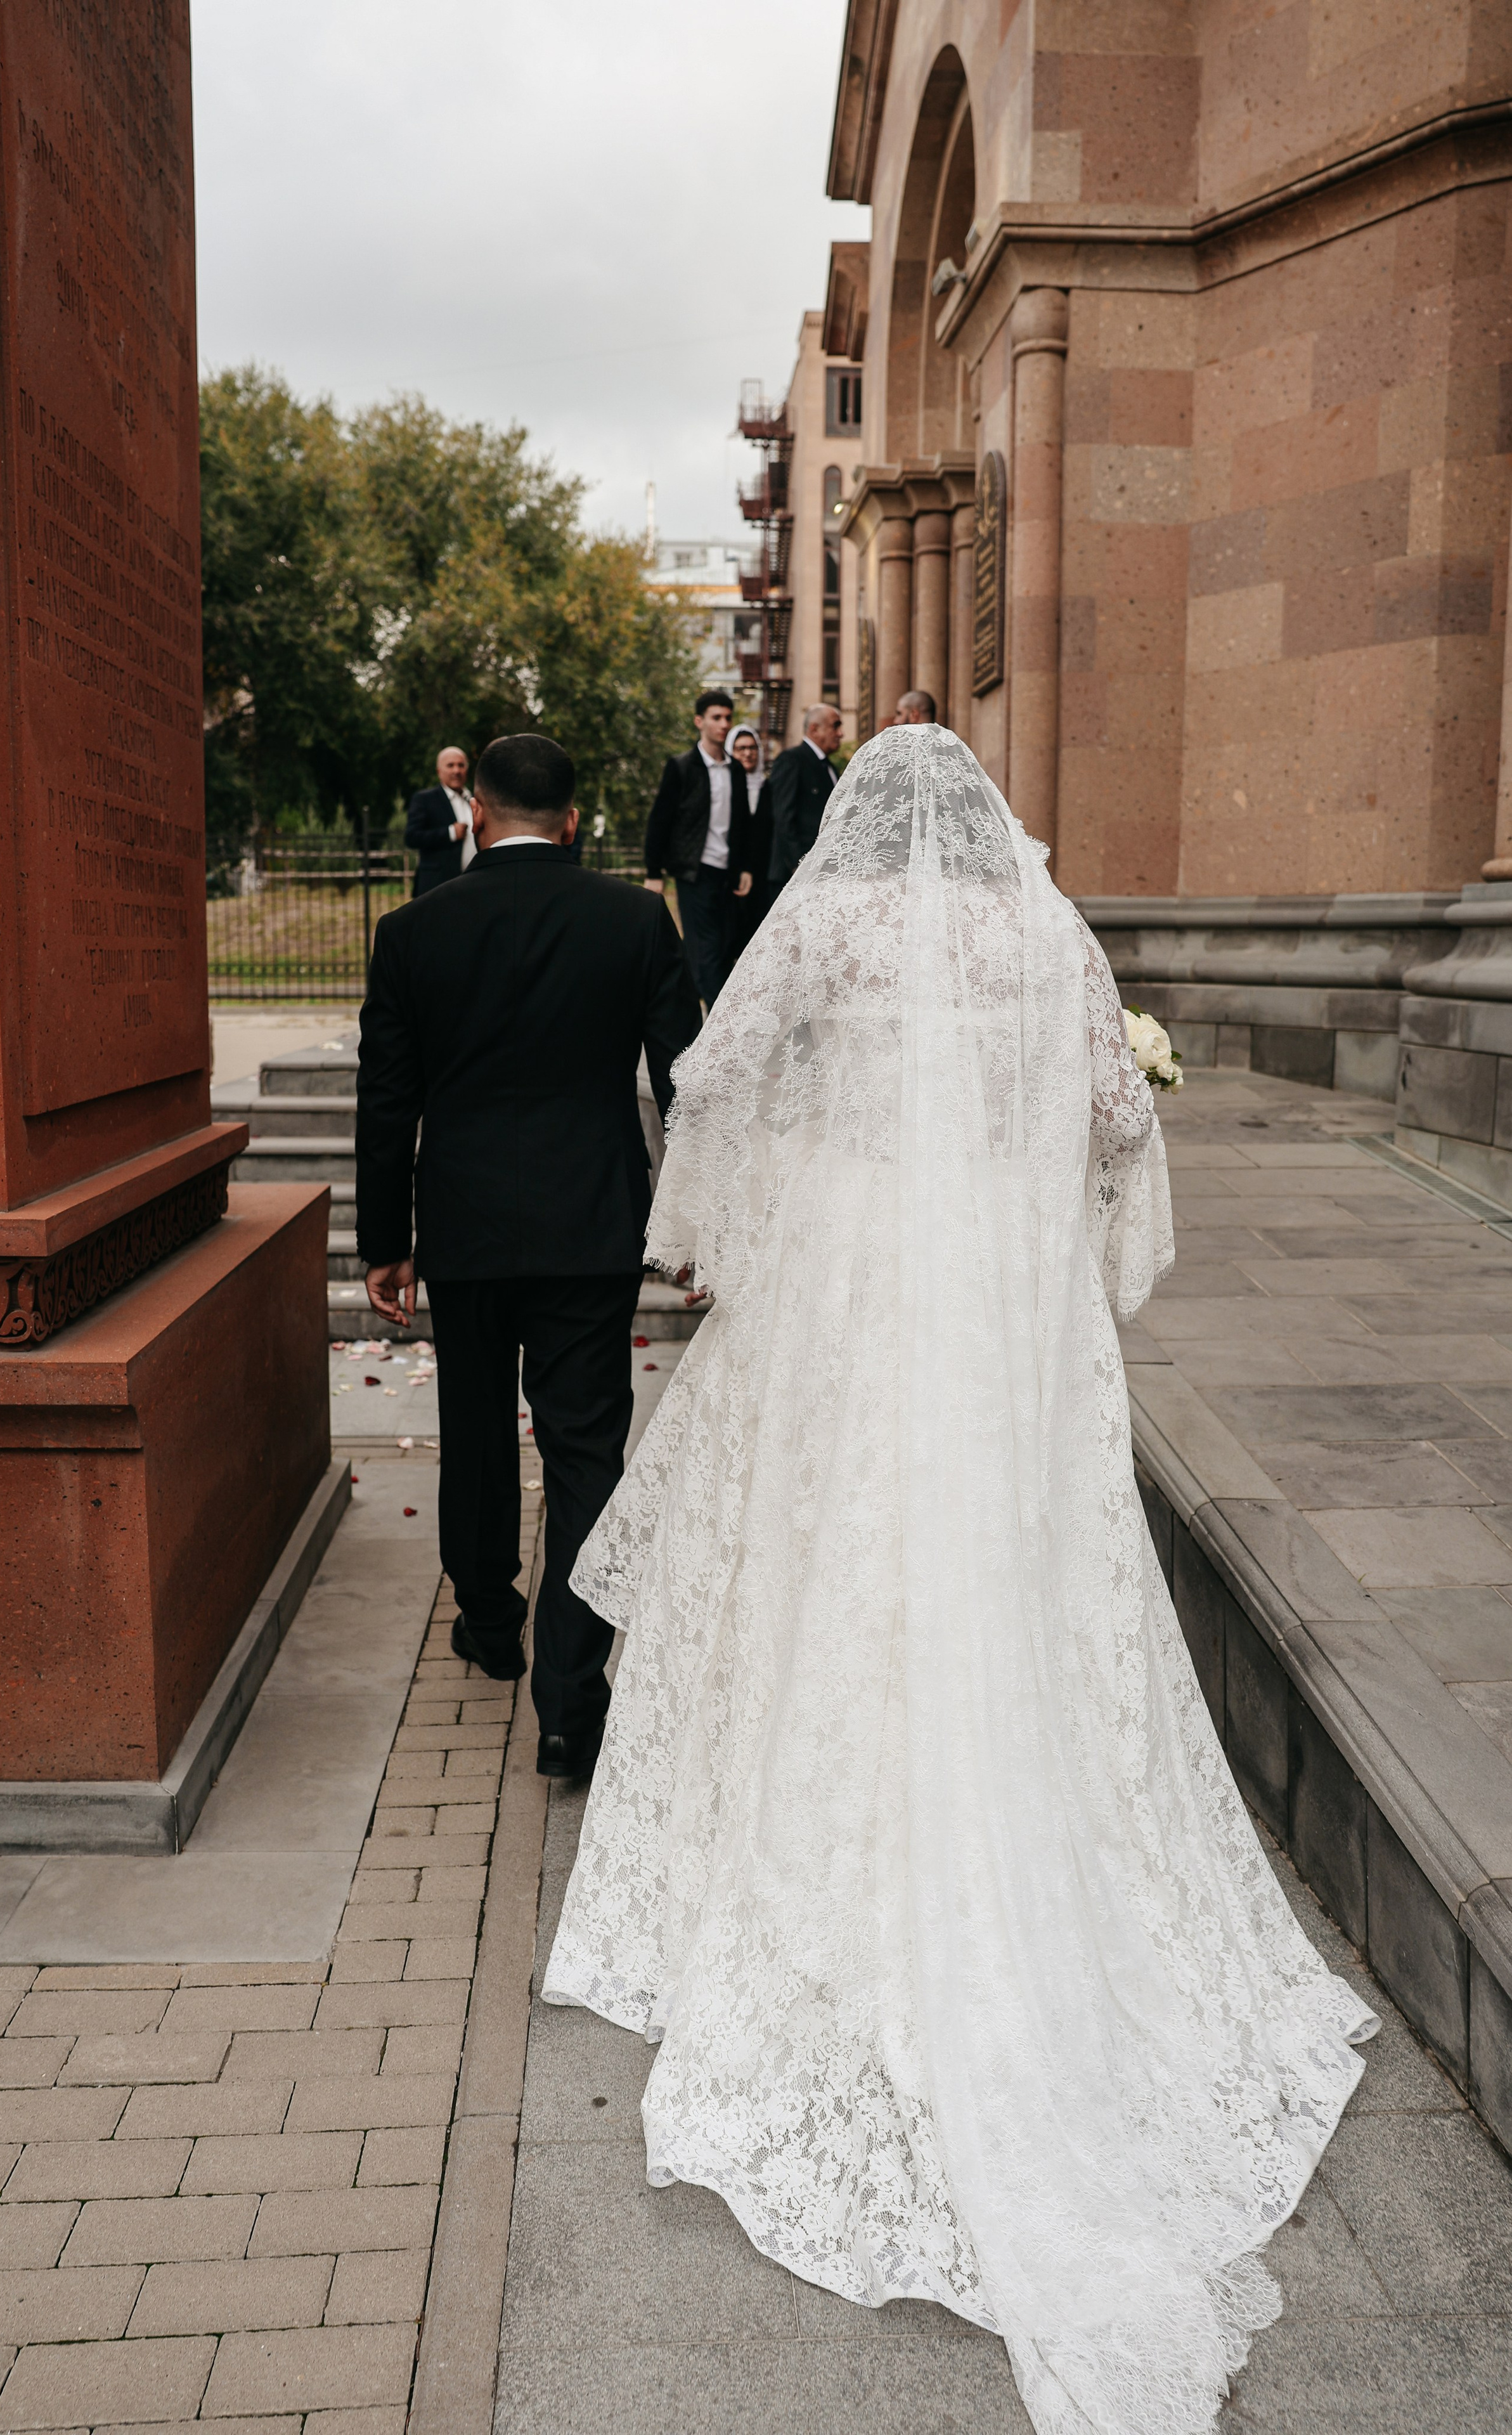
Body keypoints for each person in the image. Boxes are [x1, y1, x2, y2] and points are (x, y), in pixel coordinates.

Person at [542, 723, 1375, 2435]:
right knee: (1004, 1558)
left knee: (837, 1549)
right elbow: (1108, 1126)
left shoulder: (832, 929)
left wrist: (740, 1227)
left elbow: (716, 1082)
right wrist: (1041, 1220)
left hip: (855, 1303)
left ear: (862, 826)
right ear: (986, 825)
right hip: (996, 1327)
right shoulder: (1044, 935)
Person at [355, 734, 702, 1780]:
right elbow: (686, 1083)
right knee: (587, 1447)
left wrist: (386, 1242)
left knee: (473, 1423)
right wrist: (699, 1225)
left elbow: (389, 1098)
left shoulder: (412, 931)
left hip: (464, 1223)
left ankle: (490, 1622)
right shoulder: (636, 918)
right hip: (591, 1223)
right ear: (575, 818)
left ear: (478, 813)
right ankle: (572, 1700)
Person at [643, 691, 754, 1008]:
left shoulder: (735, 769)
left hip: (727, 872)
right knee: (704, 947)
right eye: (716, 718)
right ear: (699, 721)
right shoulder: (681, 767)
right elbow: (660, 821)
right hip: (694, 870)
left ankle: (692, 1012)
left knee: (719, 948)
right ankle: (722, 1020)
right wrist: (654, 872)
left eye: (727, 718)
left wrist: (744, 866)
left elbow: (742, 822)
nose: (723, 724)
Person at [765, 701, 840, 897]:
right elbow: (784, 816)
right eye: (836, 725)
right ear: (814, 729)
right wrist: (799, 865)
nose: (841, 734)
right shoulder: (792, 760)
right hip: (794, 877)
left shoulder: (830, 768)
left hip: (821, 876)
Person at [723, 721, 772, 957]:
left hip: (762, 875)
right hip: (731, 873)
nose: (747, 753)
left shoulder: (767, 787)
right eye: (740, 748)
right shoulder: (724, 789)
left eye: (752, 747)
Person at [404, 747, 476, 895]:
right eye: (450, 765)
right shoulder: (425, 799)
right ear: (439, 771)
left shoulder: (475, 799)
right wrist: (450, 833)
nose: (457, 771)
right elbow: (412, 837)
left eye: (461, 765)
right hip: (437, 886)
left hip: (472, 884)